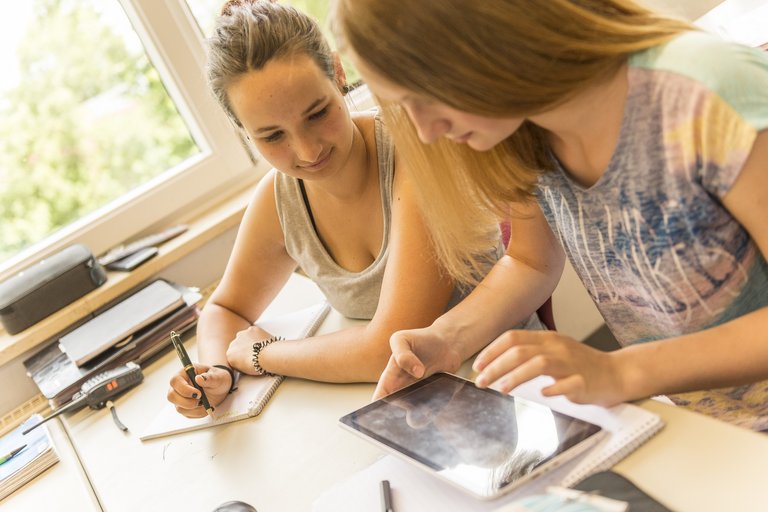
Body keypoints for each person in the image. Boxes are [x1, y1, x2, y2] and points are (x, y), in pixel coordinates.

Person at [333, 0, 768, 430]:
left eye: (424, 96)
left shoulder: (708, 91)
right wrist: (448, 336)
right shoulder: (523, 134)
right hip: (694, 428)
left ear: (486, 37)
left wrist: (623, 371)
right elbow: (530, 261)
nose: (427, 131)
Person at [167, 1, 539, 419]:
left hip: (509, 390)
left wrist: (263, 354)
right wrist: (216, 372)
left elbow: (388, 345)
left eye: (318, 113)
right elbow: (225, 309)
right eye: (272, 136)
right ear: (243, 132)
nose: (307, 151)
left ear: (338, 73)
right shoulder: (279, 198)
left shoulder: (415, 155)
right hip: (411, 408)